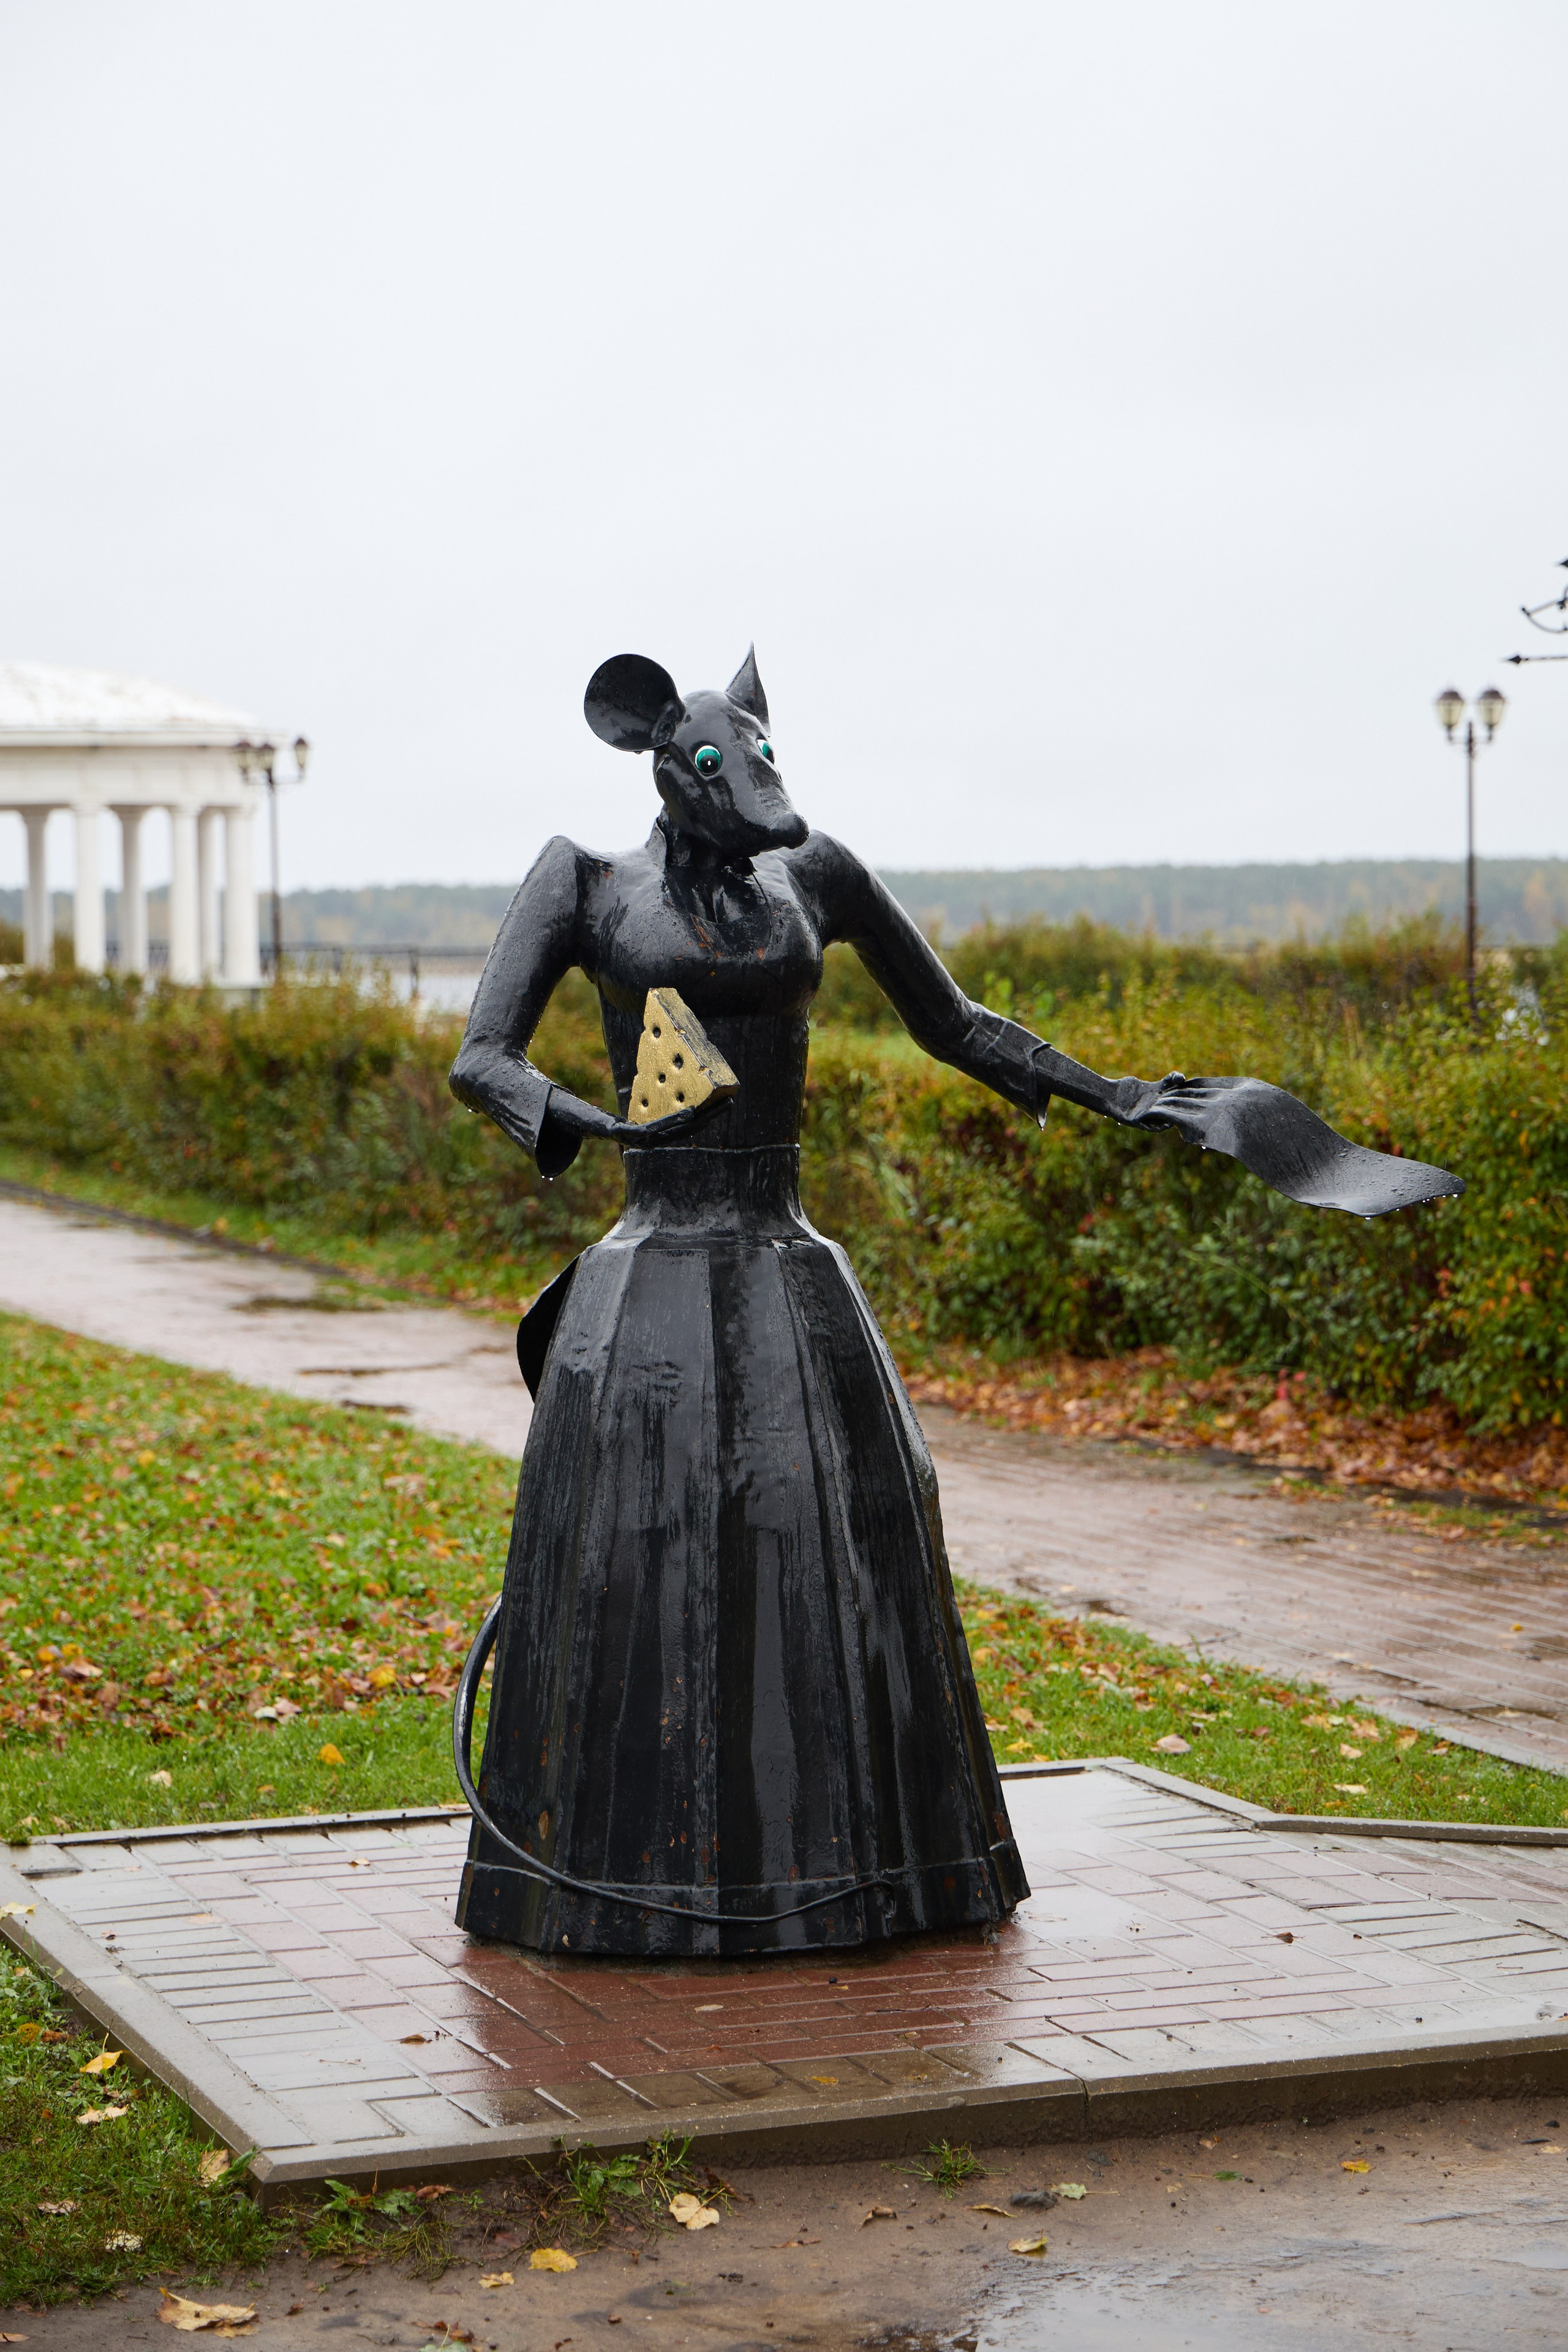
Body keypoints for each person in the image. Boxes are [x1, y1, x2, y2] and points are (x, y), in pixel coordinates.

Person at [448, 649, 1460, 1956]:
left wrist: (1118, 1092)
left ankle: (885, 1869)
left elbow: (953, 1021)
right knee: (653, 1553)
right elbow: (484, 1056)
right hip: (649, 1270)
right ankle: (604, 1872)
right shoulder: (580, 881)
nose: (758, 794)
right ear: (653, 758)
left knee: (836, 1539)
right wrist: (581, 1121)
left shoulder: (812, 874)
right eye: (718, 769)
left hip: (783, 1258)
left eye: (761, 762)